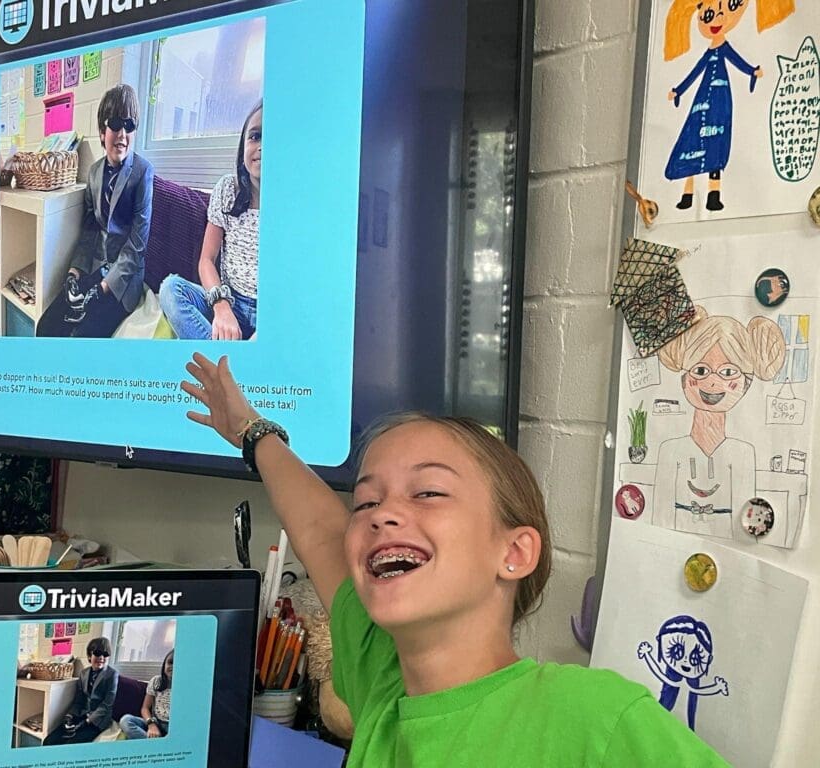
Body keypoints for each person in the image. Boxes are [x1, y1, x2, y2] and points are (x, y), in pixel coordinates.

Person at [179, 353, 731, 766]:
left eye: (428, 493)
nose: (379, 514)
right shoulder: (381, 679)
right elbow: (323, 531)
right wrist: (250, 432)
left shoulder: (591, 716)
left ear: (514, 552)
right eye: (367, 500)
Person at [653, 308, 785, 538]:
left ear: (745, 383)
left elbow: (745, 530)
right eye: (701, 370)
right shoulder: (670, 451)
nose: (712, 383)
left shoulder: (742, 453)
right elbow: (657, 522)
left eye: (727, 372)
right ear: (685, 378)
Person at [36, 84, 153, 337]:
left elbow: (137, 245)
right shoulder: (94, 172)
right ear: (102, 131)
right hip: (95, 270)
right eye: (115, 125)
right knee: (45, 327)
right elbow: (89, 231)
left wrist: (103, 287)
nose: (122, 134)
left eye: (129, 126)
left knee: (81, 338)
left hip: (122, 281)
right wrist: (73, 273)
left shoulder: (143, 172)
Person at [663, 0, 793, 211]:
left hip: (719, 101)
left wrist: (752, 71)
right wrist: (679, 90)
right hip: (702, 101)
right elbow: (695, 72)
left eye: (729, 8)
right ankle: (688, 194)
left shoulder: (724, 48)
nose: (718, 19)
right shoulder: (707, 53)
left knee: (716, 144)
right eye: (708, 15)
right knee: (693, 142)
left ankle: (714, 194)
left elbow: (738, 61)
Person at [159, 101, 262, 340]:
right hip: (229, 300)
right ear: (243, 145)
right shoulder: (227, 189)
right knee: (171, 290)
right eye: (255, 137)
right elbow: (207, 259)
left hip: (274, 314)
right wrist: (221, 307)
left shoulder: (296, 203)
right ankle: (232, 362)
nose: (262, 147)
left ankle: (232, 364)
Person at [44, 637, 119, 744]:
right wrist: (69, 716)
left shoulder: (112, 674)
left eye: (106, 654)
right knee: (49, 741)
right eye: (98, 653)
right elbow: (78, 700)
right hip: (81, 715)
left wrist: (87, 721)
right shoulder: (83, 673)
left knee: (70, 745)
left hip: (98, 720)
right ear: (89, 655)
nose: (102, 657)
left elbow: (107, 705)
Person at [120, 650, 173, 739]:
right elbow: (145, 708)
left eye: (177, 663)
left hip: (173, 728)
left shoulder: (185, 687)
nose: (172, 667)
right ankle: (158, 746)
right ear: (164, 664)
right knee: (126, 720)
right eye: (170, 663)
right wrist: (151, 725)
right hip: (156, 722)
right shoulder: (156, 681)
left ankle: (160, 746)